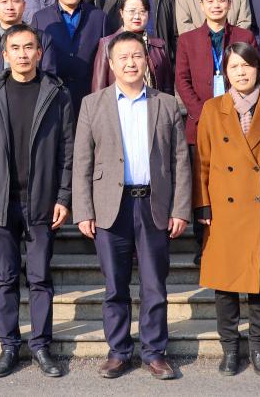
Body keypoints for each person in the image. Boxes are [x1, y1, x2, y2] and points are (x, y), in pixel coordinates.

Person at [73, 31, 191, 381]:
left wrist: (180, 208)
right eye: (122, 57)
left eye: (136, 55)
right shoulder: (92, 104)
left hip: (153, 204)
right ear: (111, 64)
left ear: (146, 60)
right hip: (111, 206)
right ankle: (118, 351)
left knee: (154, 283)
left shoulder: (166, 103)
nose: (130, 63)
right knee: (115, 285)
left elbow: (180, 160)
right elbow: (82, 162)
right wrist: (84, 210)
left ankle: (154, 352)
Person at [0, 24, 74, 378]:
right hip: (0, 200)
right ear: (5, 54)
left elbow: (68, 152)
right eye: (16, 48)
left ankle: (41, 345)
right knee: (5, 277)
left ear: (39, 53)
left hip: (41, 201)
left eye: (29, 48)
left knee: (40, 278)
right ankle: (9, 345)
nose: (23, 54)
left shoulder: (56, 93)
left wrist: (64, 196)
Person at [194, 42, 260, 378]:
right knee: (225, 284)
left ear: (258, 69)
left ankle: (258, 349)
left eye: (247, 65)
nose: (241, 72)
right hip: (223, 207)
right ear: (226, 73)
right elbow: (203, 160)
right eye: (234, 66)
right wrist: (202, 203)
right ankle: (230, 349)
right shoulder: (212, 108)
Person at [175, 0, 258, 260]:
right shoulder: (187, 40)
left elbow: (255, 74)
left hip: (240, 122)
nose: (216, 5)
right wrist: (203, 114)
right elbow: (182, 80)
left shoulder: (244, 37)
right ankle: (205, 245)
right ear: (201, 5)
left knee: (237, 183)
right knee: (204, 184)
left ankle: (237, 241)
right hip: (201, 124)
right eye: (210, 1)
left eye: (221, 0)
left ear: (230, 4)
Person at [32, 0, 110, 115]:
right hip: (53, 95)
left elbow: (107, 58)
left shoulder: (98, 17)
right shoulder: (40, 18)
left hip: (89, 95)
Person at [92, 0, 174, 94]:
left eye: (142, 11)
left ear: (148, 14)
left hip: (152, 102)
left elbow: (168, 87)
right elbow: (99, 88)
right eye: (131, 11)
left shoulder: (159, 45)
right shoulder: (106, 44)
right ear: (121, 13)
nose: (137, 16)